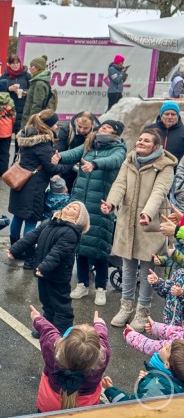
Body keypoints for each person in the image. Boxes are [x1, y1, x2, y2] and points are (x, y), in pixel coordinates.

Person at [102, 128, 176, 330]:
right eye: (139, 139)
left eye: (146, 141)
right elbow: (120, 184)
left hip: (150, 223)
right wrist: (111, 203)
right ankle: (125, 308)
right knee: (127, 267)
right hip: (128, 220)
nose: (140, 142)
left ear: (156, 146)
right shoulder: (129, 159)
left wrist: (148, 213)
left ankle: (143, 312)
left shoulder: (165, 166)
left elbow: (159, 191)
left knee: (147, 271)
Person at [60, 120, 127, 306]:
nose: (102, 129)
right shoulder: (90, 143)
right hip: (81, 202)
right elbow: (74, 153)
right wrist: (59, 156)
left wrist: (94, 164)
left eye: (107, 128)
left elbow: (113, 161)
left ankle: (100, 288)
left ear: (116, 132)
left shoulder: (118, 148)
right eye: (102, 126)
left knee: (100, 249)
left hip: (102, 204)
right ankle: (82, 284)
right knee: (80, 245)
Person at [8, 202, 90, 334]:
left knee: (61, 305)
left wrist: (44, 267)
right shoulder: (49, 222)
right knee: (46, 302)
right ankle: (47, 328)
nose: (70, 207)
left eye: (75, 209)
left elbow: (58, 252)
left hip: (58, 275)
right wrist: (15, 249)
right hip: (43, 271)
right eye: (70, 205)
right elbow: (32, 236)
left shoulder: (70, 232)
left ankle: (60, 332)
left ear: (78, 218)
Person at [29, 307, 110, 412]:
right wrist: (100, 325)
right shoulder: (102, 357)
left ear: (64, 342)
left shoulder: (52, 348)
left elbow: (48, 331)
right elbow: (102, 337)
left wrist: (37, 318)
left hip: (49, 406)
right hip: (85, 410)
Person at [8, 110, 66, 252]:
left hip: (20, 180)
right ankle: (26, 250)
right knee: (31, 219)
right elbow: (51, 168)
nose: (57, 125)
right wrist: (65, 165)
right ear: (49, 125)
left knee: (18, 216)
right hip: (33, 186)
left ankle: (14, 247)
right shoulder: (42, 143)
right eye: (55, 123)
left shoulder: (26, 133)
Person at [102, 340, 184, 403]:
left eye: (167, 349)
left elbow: (129, 407)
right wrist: (149, 377)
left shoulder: (154, 386)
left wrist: (110, 390)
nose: (166, 344)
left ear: (167, 364)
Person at [55, 111, 99, 190]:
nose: (81, 130)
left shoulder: (98, 133)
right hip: (66, 168)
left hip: (87, 170)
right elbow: (59, 152)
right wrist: (57, 173)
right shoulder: (67, 130)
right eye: (79, 126)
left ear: (92, 125)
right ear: (76, 121)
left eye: (86, 128)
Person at [0, 54, 31, 135]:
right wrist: (8, 89)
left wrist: (24, 92)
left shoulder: (27, 76)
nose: (16, 65)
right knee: (6, 135)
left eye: (17, 63)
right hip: (7, 109)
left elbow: (32, 90)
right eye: (13, 63)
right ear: (9, 64)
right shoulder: (4, 76)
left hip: (22, 108)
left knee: (20, 134)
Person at [21, 56, 52, 128]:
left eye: (32, 66)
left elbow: (37, 104)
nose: (30, 68)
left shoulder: (39, 83)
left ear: (38, 68)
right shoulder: (37, 81)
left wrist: (31, 121)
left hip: (32, 119)